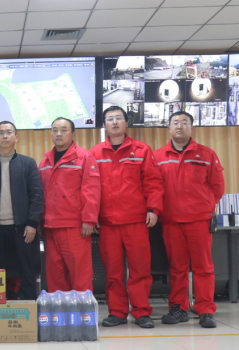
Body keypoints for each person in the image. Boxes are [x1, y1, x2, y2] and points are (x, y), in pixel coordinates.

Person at [90, 106, 164, 329]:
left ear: (126, 122)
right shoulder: (94, 153)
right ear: (104, 125)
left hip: (136, 221)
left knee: (140, 269)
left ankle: (142, 312)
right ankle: (117, 312)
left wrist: (153, 209)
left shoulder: (141, 150)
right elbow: (90, 188)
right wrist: (92, 215)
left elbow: (153, 181)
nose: (114, 122)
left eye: (118, 118)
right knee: (113, 272)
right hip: (107, 223)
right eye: (110, 119)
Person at [154, 111, 225, 328]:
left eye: (185, 122)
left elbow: (217, 187)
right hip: (171, 221)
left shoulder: (206, 154)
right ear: (168, 128)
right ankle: (178, 308)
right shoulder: (158, 156)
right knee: (177, 268)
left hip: (199, 220)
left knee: (203, 267)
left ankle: (205, 310)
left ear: (192, 128)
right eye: (175, 122)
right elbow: (154, 187)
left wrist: (204, 205)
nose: (180, 126)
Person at [0, 121, 43, 300]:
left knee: (27, 272)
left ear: (16, 137)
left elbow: (37, 195)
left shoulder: (28, 163)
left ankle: (29, 308)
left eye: (9, 132)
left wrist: (32, 223)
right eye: (1, 133)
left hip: (24, 229)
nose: (5, 136)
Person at [38, 117, 100, 292]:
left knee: (80, 276)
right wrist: (40, 221)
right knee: (55, 278)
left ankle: (82, 310)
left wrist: (89, 220)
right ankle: (60, 310)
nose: (58, 134)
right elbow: (41, 195)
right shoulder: (45, 162)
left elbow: (91, 190)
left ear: (73, 134)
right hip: (50, 228)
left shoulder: (84, 157)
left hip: (75, 228)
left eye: (63, 130)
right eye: (55, 130)